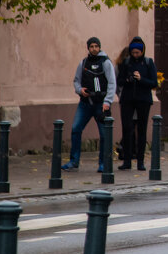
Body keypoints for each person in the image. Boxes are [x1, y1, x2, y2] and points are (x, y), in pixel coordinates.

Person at [62, 36, 116, 172]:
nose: (94, 49)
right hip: (85, 103)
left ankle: (103, 164)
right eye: (91, 46)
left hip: (101, 104)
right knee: (75, 129)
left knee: (104, 134)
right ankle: (74, 161)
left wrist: (108, 101)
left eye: (96, 46)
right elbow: (76, 80)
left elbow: (112, 83)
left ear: (99, 47)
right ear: (88, 48)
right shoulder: (83, 63)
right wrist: (80, 90)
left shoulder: (106, 62)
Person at [117, 36, 157, 171]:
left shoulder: (148, 62)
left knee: (141, 130)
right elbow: (119, 80)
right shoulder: (127, 62)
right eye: (133, 52)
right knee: (127, 129)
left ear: (142, 51)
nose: (135, 55)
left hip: (143, 100)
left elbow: (154, 83)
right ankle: (127, 160)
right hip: (128, 99)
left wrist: (141, 79)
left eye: (137, 53)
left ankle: (140, 161)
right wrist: (128, 79)